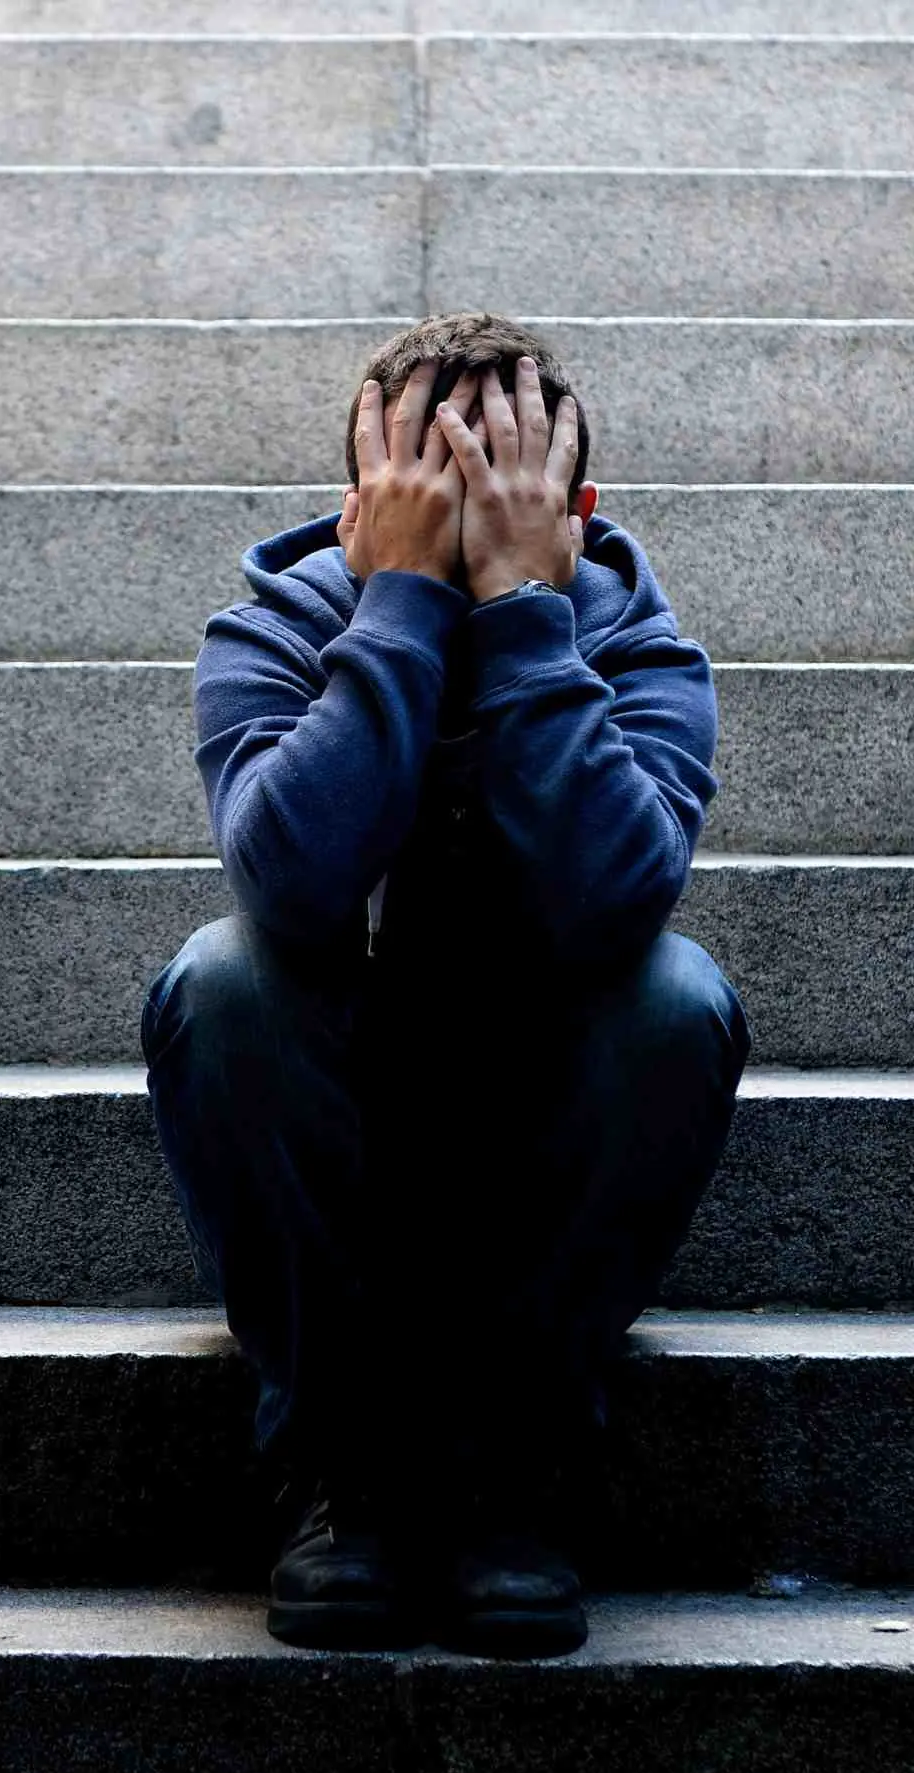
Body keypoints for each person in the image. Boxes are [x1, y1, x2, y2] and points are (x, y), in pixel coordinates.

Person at [141, 310, 750, 1659]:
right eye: (427, 488)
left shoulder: (637, 646)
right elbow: (293, 887)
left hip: (537, 1143)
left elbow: (614, 907)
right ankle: (335, 1467)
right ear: (360, 503)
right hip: (340, 1149)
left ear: (572, 508)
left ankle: (514, 1473)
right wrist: (402, 602)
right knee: (222, 978)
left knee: (678, 997)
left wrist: (530, 618)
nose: (467, 518)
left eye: (500, 490)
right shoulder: (275, 627)